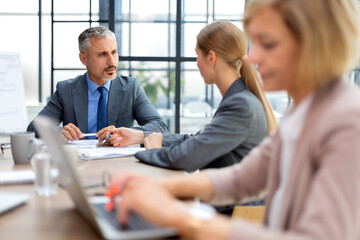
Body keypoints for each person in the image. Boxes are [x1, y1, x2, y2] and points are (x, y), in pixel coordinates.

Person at [106, 0, 360, 239]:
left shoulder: (347, 122)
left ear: (315, 46)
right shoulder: (302, 114)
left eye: (268, 44)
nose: (252, 57)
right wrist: (158, 188)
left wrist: (183, 218)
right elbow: (240, 179)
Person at [107, 21, 277, 172]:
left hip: (232, 208)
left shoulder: (241, 105)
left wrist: (154, 151)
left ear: (211, 58)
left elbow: (185, 159)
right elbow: (199, 140)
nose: (196, 63)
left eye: (197, 55)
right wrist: (141, 136)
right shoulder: (240, 99)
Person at [27, 26, 168, 141]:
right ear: (84, 59)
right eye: (102, 54)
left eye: (114, 52)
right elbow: (34, 127)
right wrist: (57, 132)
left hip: (118, 163)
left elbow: (160, 126)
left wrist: (131, 133)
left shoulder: (131, 87)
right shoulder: (66, 90)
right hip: (79, 163)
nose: (112, 62)